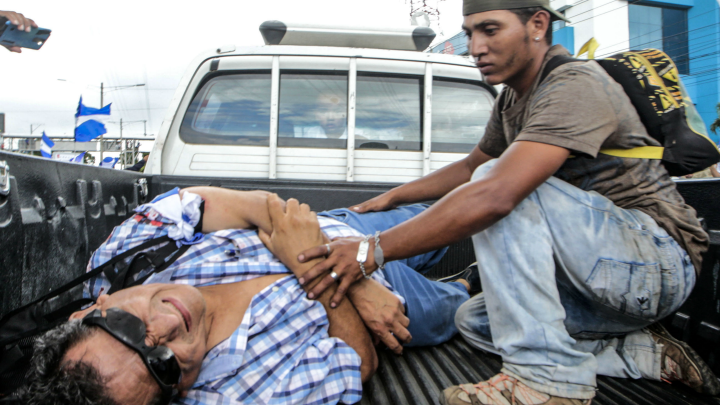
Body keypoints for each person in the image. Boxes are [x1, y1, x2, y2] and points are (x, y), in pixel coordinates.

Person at [289, 1, 719, 404]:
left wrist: (371, 250)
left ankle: (548, 381)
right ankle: (645, 353)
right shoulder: (513, 98)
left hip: (655, 264)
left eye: (490, 30)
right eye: (470, 33)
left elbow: (495, 191)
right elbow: (471, 165)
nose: (476, 47)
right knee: (474, 321)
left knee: (500, 184)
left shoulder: (575, 84)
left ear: (537, 24)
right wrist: (391, 197)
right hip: (597, 277)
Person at [20, 186, 475, 404]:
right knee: (460, 306)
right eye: (163, 366)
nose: (167, 326)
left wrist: (354, 272)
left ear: (91, 309)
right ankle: (464, 284)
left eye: (129, 327)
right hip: (392, 307)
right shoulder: (232, 396)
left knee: (464, 214)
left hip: (348, 229)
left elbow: (257, 206)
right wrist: (347, 279)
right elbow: (358, 363)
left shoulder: (122, 256)